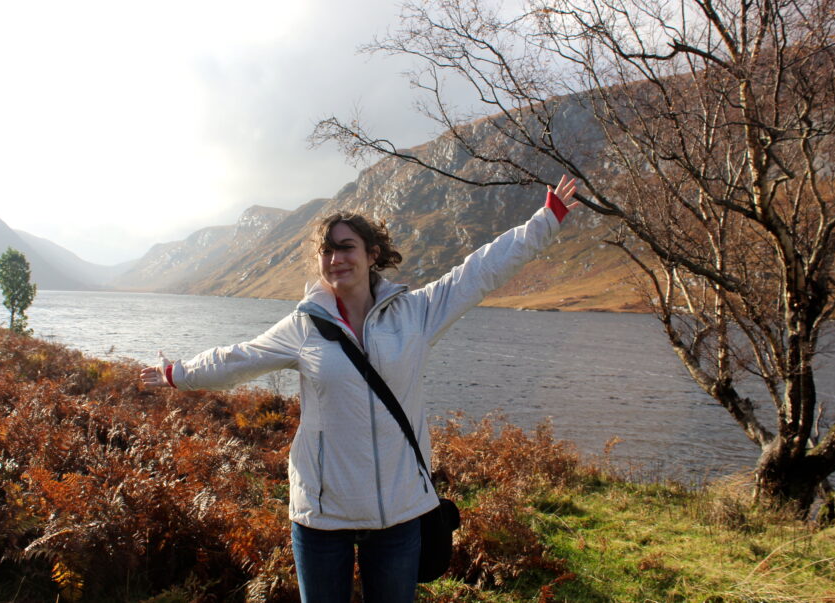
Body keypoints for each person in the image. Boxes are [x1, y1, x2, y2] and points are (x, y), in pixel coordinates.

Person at [139, 176, 579, 602]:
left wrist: (546, 219)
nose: (335, 260)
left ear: (372, 254)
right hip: (322, 514)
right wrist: (180, 373)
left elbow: (478, 271)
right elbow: (239, 358)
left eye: (346, 247)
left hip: (400, 513)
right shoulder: (303, 326)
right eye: (327, 251)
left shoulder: (417, 313)